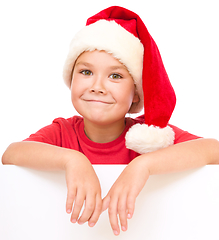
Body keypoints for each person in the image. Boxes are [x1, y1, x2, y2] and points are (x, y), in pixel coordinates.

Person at [2, 6, 219, 236]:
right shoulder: (63, 133)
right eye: (86, 72)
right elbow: (11, 154)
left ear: (135, 93)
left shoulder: (148, 137)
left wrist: (143, 166)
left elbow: (213, 150)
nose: (97, 86)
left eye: (115, 76)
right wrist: (72, 159)